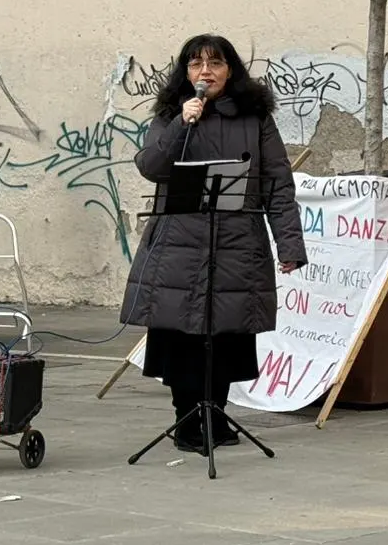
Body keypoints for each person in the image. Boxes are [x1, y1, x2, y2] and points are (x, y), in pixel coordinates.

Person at [120, 35, 306, 454]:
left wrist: (289, 245)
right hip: (180, 246)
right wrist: (180, 125)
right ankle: (186, 420)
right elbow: (150, 167)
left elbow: (277, 182)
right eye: (196, 64)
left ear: (230, 70)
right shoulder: (171, 114)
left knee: (226, 333)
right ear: (185, 73)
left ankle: (216, 416)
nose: (206, 72)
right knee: (183, 335)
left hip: (238, 243)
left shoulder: (255, 117)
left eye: (216, 63)